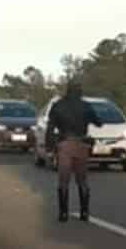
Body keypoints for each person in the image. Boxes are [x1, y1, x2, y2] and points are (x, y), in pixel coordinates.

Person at [46, 80, 96, 223]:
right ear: (80, 91)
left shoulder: (58, 105)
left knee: (63, 180)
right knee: (82, 180)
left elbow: (50, 128)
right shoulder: (86, 106)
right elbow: (98, 121)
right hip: (81, 144)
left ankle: (63, 213)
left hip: (65, 144)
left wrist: (50, 148)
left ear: (67, 90)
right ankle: (85, 213)